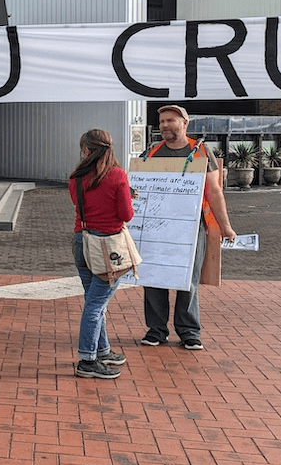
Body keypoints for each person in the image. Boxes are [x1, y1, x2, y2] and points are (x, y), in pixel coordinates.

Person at [140, 105, 237, 350]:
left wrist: (225, 226)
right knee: (154, 278)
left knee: (188, 280)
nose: (164, 125)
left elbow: (214, 192)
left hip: (191, 229)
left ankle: (189, 332)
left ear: (185, 123)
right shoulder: (151, 153)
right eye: (162, 121)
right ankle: (156, 330)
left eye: (171, 120)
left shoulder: (202, 152)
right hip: (155, 229)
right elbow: (138, 189)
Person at [68, 129, 134, 379]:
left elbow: (81, 204)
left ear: (86, 150)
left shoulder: (76, 177)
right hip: (109, 247)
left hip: (81, 242)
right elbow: (126, 215)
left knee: (94, 300)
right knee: (96, 304)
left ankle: (102, 350)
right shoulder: (117, 176)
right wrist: (128, 196)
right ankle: (87, 359)